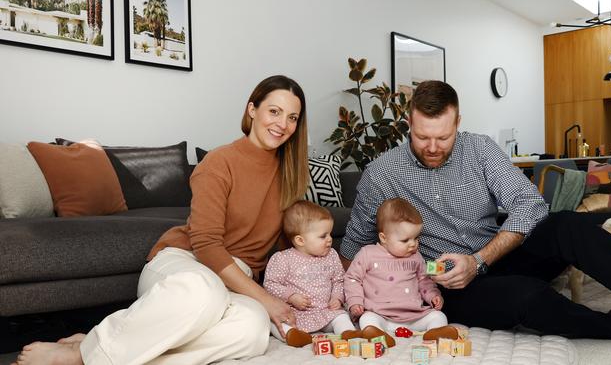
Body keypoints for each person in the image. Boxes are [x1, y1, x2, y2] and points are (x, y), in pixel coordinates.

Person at [12, 75, 311, 365]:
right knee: (203, 292)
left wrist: (341, 275)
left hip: (235, 284)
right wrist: (265, 298)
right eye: (274, 111)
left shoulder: (290, 176)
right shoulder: (220, 162)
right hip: (187, 265)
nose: (282, 124)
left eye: (292, 118)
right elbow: (206, 245)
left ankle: (99, 346)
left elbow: (293, 241)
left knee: (251, 332)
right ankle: (83, 356)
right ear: (252, 109)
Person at [340, 80, 611, 340]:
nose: (432, 147)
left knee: (568, 224)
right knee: (526, 296)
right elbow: (353, 249)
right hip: (446, 288)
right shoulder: (381, 174)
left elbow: (529, 203)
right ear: (409, 124)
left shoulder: (480, 148)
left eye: (443, 137)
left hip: (494, 257)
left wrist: (479, 260)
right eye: (422, 137)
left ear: (458, 123)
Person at [344, 198, 453, 347]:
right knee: (367, 319)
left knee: (438, 316)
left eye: (416, 238)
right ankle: (378, 334)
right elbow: (352, 279)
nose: (413, 244)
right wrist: (355, 302)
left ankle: (435, 332)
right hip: (381, 315)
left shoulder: (416, 257)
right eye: (405, 240)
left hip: (414, 316)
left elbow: (424, 281)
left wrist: (433, 296)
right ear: (384, 238)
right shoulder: (367, 254)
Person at [263, 200, 358, 347]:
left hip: (325, 310)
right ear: (300, 240)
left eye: (330, 234)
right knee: (274, 322)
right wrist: (291, 297)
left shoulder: (331, 255)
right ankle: (293, 335)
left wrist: (337, 298)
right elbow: (270, 284)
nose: (330, 239)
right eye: (323, 236)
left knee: (341, 317)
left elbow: (339, 280)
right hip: (295, 313)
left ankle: (347, 333)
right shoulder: (282, 259)